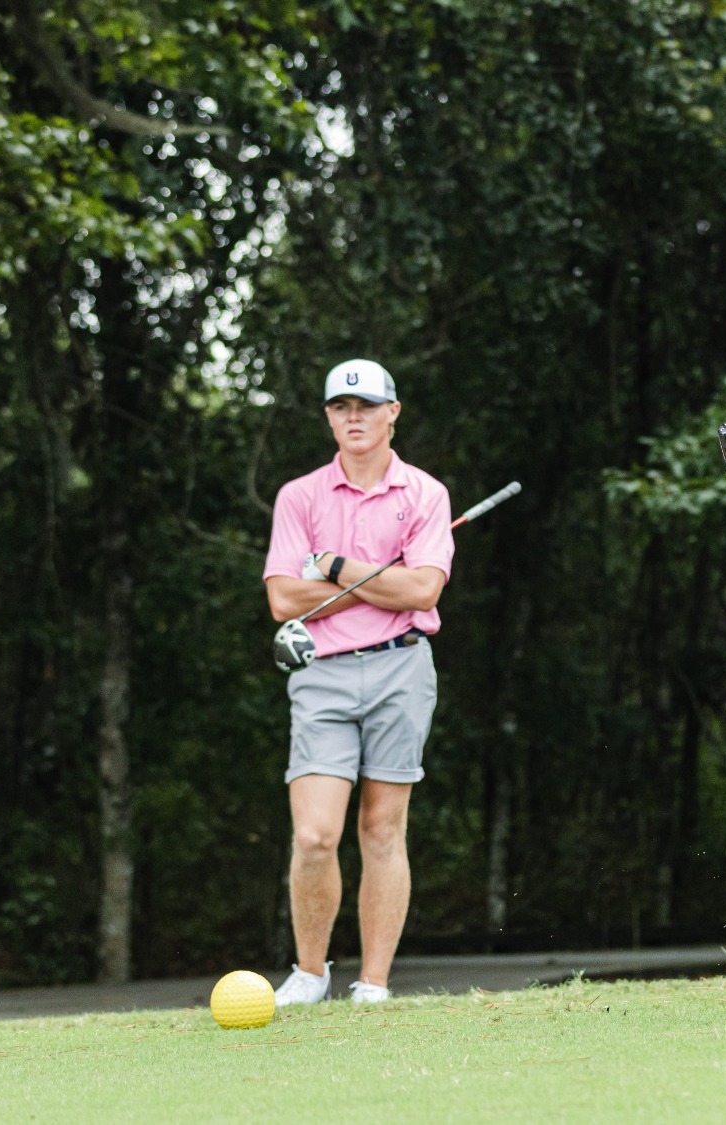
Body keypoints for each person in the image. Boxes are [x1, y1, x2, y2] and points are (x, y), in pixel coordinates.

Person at [261, 359, 454, 1007]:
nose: (354, 418)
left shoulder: (425, 494)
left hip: (402, 666)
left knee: (381, 827)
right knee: (316, 832)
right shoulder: (300, 496)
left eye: (367, 406)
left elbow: (423, 589)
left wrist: (337, 567)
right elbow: (285, 600)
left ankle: (373, 983)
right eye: (341, 408)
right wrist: (378, 583)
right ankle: (311, 973)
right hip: (321, 673)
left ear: (393, 411)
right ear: (327, 417)